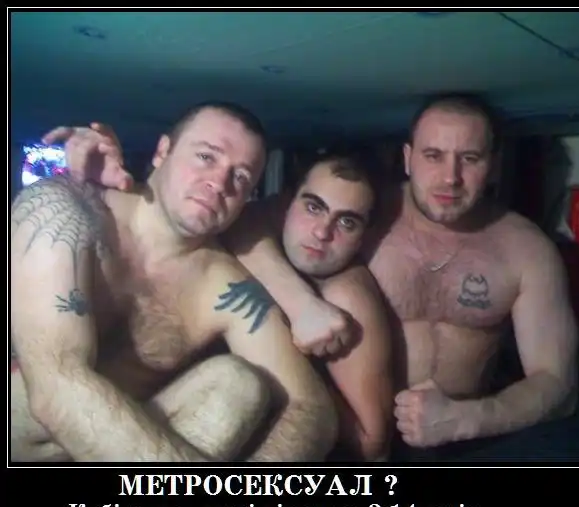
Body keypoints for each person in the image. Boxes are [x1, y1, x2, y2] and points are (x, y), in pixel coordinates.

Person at [207, 92, 579, 462]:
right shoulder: (363, 211)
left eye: (470, 158)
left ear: (493, 165)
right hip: (355, 439)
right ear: (408, 158)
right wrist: (300, 303)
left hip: (469, 441)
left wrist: (465, 420)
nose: (450, 178)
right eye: (433, 156)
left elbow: (558, 385)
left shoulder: (526, 250)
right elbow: (246, 224)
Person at [39, 122, 394, 462]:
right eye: (313, 207)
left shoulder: (347, 296)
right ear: (285, 204)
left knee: (238, 384)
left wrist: (290, 368)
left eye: (347, 222)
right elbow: (231, 220)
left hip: (246, 435)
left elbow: (370, 441)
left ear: (364, 236)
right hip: (121, 414)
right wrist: (102, 180)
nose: (322, 231)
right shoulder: (240, 230)